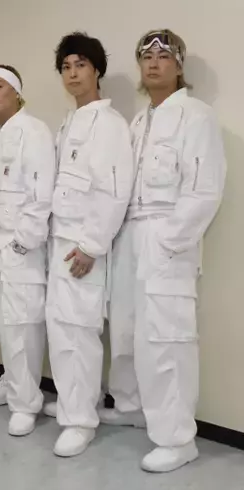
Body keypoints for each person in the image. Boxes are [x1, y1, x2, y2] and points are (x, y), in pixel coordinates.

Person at [99, 29, 226, 472]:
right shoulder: (138, 122)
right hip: (129, 235)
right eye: (146, 57)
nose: (154, 63)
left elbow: (205, 191)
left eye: (164, 56)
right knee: (126, 330)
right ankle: (132, 405)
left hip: (166, 238)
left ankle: (177, 439)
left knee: (167, 340)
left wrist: (169, 241)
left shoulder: (196, 116)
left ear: (179, 65)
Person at [44, 33, 134, 457]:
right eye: (66, 67)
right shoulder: (70, 122)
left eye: (80, 64)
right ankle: (77, 402)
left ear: (97, 70)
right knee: (62, 329)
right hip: (59, 242)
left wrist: (92, 246)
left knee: (78, 333)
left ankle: (80, 422)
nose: (72, 73)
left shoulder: (108, 123)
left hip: (82, 247)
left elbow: (114, 191)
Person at [0, 65, 56, 436]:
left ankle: (26, 402)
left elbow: (42, 194)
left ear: (16, 91)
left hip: (21, 249)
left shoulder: (34, 132)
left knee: (22, 325)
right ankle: (11, 382)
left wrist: (23, 242)